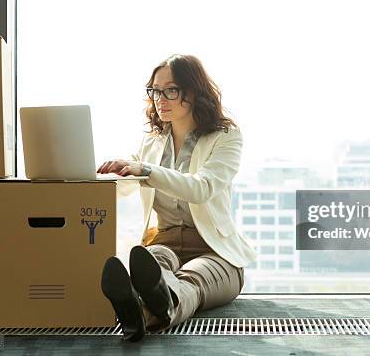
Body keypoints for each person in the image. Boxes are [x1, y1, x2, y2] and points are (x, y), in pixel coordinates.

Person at [97, 54, 257, 342]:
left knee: (192, 279)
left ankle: (142, 311)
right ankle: (142, 311)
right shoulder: (151, 142)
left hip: (214, 250)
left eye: (170, 90)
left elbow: (201, 188)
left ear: (194, 91)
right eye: (155, 91)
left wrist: (146, 170)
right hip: (165, 241)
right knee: (153, 261)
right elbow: (130, 182)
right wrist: (106, 173)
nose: (161, 98)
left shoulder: (226, 136)